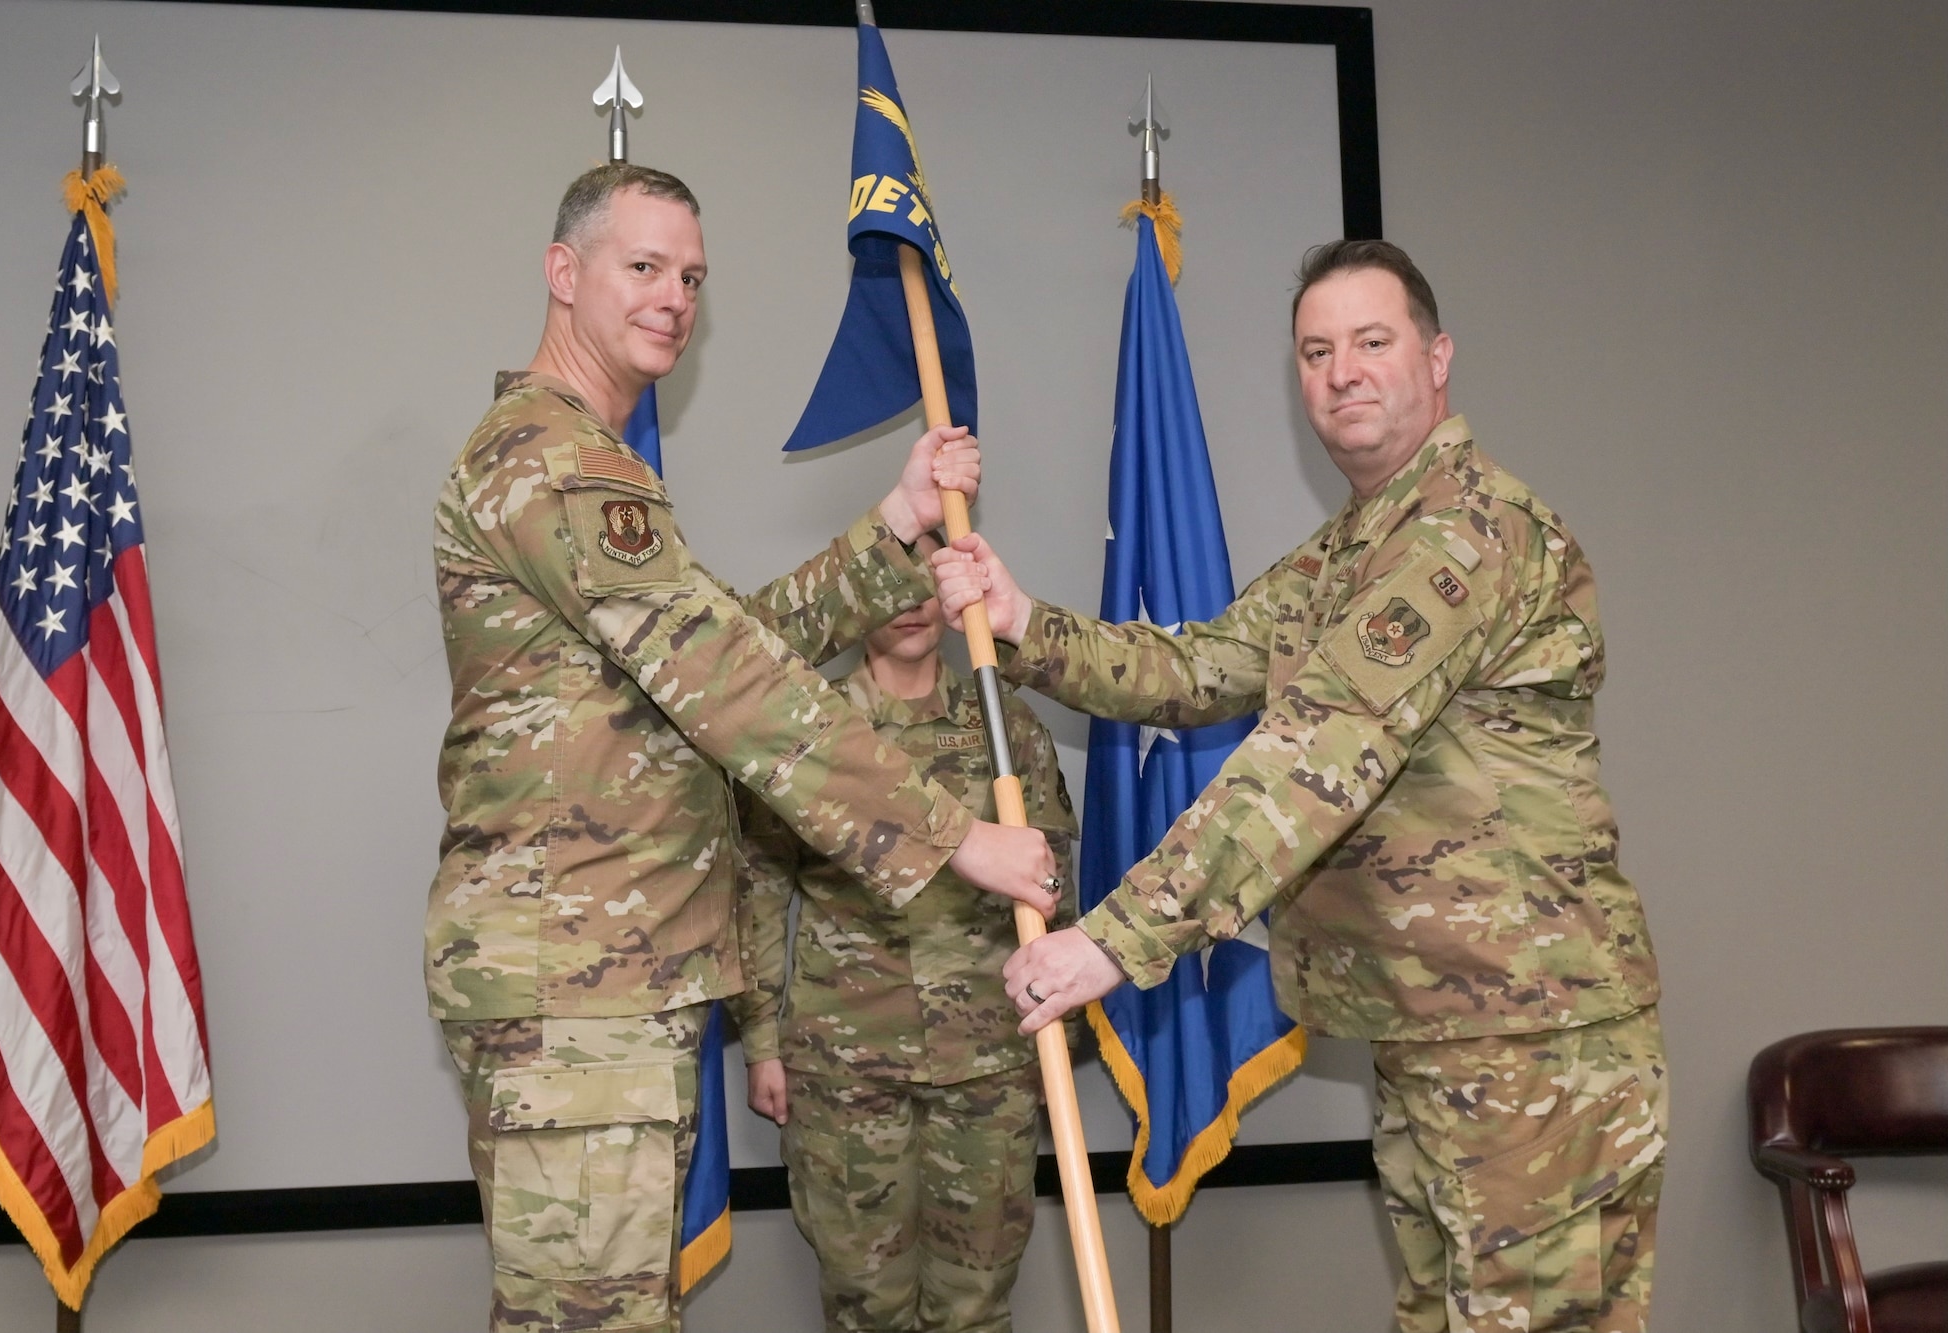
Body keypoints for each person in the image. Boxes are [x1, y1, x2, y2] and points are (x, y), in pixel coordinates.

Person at [934, 239, 1667, 1333]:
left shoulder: (1466, 531)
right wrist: (1024, 623)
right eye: (1315, 352)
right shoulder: (1351, 552)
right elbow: (1202, 666)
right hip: (1434, 1035)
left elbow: (1316, 755)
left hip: (1529, 1041)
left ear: (1436, 356)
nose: (1341, 373)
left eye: (1372, 342)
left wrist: (1111, 941)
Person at [428, 163, 1058, 1333]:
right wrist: (951, 835)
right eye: (644, 266)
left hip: (613, 979)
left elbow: (728, 641)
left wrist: (895, 526)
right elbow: (722, 679)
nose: (674, 296)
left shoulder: (591, 463)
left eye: (692, 276)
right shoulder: (548, 457)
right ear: (564, 275)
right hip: (578, 982)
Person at [727, 553, 1077, 1333]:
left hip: (989, 1059)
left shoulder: (1004, 725)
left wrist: (1057, 1034)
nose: (908, 602)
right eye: (887, 580)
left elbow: (1056, 877)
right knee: (865, 1307)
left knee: (976, 1307)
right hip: (846, 1068)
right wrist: (760, 1042)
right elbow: (755, 888)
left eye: (925, 579)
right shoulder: (811, 733)